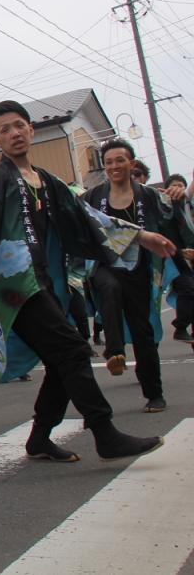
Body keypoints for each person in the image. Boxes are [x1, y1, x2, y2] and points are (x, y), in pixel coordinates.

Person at [0, 100, 170, 464]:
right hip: (16, 288)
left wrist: (142, 236)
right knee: (74, 351)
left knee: (62, 359)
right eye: (5, 130)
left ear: (32, 130)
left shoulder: (47, 181)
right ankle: (104, 433)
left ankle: (39, 439)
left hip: (43, 282)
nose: (15, 133)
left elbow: (90, 215)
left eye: (20, 125)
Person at [83, 139, 193, 413]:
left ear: (132, 164)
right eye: (108, 162)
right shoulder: (94, 196)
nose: (114, 166)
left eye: (119, 160)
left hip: (140, 270)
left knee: (144, 332)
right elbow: (71, 214)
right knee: (109, 288)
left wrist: (180, 193)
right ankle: (114, 349)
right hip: (106, 265)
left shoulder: (149, 196)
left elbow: (175, 211)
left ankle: (154, 393)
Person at [162, 173, 194, 343]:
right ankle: (180, 327)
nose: (177, 189)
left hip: (191, 258)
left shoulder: (189, 206)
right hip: (173, 260)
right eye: (173, 185)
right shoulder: (163, 208)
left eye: (181, 185)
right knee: (188, 289)